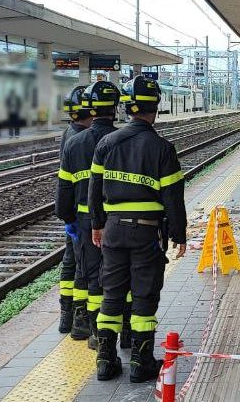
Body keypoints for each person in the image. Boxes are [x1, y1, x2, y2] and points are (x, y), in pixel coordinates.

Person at [89, 75, 187, 383]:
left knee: (112, 293)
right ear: (155, 107)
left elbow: (94, 189)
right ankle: (141, 362)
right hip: (146, 232)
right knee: (144, 295)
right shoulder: (162, 148)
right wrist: (179, 234)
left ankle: (105, 360)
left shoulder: (106, 143)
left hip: (113, 231)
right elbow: (173, 196)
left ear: (127, 108)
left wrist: (97, 225)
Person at [56, 81, 122, 350]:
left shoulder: (73, 142)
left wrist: (67, 218)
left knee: (86, 273)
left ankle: (82, 324)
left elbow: (64, 187)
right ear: (116, 108)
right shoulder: (120, 141)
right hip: (114, 221)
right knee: (117, 275)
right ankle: (120, 333)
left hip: (83, 222)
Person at [55, 85, 90, 335]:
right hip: (83, 212)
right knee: (81, 264)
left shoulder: (69, 133)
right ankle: (79, 318)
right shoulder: (80, 139)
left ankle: (66, 315)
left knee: (70, 262)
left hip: (73, 212)